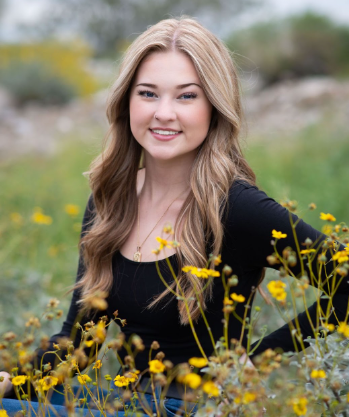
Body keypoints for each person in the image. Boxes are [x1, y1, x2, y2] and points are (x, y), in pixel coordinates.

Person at [0, 16, 348, 417]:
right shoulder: (110, 200)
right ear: (126, 101)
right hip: (122, 403)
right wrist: (13, 379)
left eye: (186, 96)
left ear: (215, 107)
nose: (163, 113)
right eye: (148, 93)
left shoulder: (238, 208)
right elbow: (79, 345)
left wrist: (256, 362)